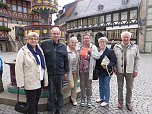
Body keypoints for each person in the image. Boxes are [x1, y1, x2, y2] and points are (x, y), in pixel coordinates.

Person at [15, 32, 48, 114]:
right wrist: (20, 83)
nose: (33, 40)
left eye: (35, 39)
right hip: (29, 81)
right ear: (27, 40)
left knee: (36, 100)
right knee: (31, 102)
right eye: (31, 39)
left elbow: (43, 64)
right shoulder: (23, 51)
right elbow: (18, 68)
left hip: (39, 79)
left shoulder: (39, 49)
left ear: (38, 40)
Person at [41, 27, 69, 114]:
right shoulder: (44, 44)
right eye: (54, 33)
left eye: (57, 34)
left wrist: (66, 72)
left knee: (60, 92)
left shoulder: (63, 46)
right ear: (51, 34)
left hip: (60, 73)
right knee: (51, 92)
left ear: (60, 35)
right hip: (49, 74)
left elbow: (66, 60)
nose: (56, 35)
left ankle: (59, 108)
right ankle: (52, 109)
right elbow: (40, 56)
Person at [113, 31, 140, 111]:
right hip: (119, 70)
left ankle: (128, 103)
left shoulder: (135, 47)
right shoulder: (116, 47)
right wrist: (115, 68)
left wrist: (136, 70)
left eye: (127, 37)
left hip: (130, 71)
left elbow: (137, 59)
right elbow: (113, 59)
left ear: (129, 38)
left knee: (129, 88)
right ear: (121, 38)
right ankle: (120, 102)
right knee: (120, 87)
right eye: (124, 37)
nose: (125, 38)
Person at [95, 37, 116, 107]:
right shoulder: (98, 51)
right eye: (101, 42)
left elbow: (113, 61)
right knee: (101, 85)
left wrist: (108, 65)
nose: (102, 44)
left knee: (106, 86)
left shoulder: (110, 51)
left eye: (103, 42)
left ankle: (106, 100)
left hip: (107, 71)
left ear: (106, 43)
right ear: (99, 43)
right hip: (100, 72)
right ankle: (101, 97)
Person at [79, 32, 98, 108]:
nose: (86, 39)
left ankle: (89, 100)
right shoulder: (80, 47)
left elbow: (97, 56)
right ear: (83, 39)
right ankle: (83, 99)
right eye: (85, 38)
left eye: (88, 38)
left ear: (90, 39)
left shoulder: (93, 47)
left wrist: (91, 52)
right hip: (81, 70)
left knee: (89, 85)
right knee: (82, 85)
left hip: (89, 70)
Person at [67, 36, 79, 106]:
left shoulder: (77, 50)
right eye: (72, 42)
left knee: (74, 86)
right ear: (70, 42)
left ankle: (73, 99)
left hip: (76, 71)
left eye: (75, 42)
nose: (74, 44)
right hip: (69, 71)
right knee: (71, 85)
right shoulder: (66, 50)